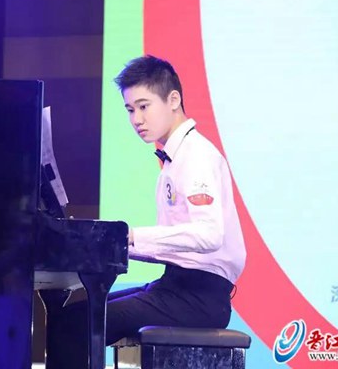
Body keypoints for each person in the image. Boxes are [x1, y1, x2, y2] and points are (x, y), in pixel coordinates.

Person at [47, 55, 246, 369]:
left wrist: (130, 237)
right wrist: (110, 244)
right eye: (130, 110)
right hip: (175, 286)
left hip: (199, 298)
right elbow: (176, 248)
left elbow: (209, 235)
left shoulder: (196, 156)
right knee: (72, 316)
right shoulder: (174, 158)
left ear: (173, 100)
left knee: (74, 325)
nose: (136, 119)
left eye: (144, 106)